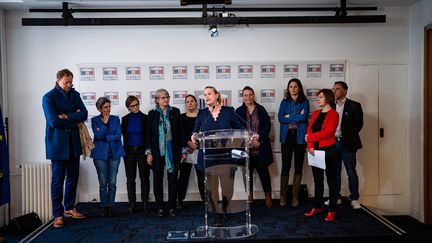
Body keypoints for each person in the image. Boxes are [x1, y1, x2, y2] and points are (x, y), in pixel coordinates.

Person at [191, 86, 248, 226]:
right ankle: (217, 215)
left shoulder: (229, 111)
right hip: (208, 158)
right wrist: (194, 136)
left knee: (227, 188)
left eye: (209, 94)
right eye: (204, 95)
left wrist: (248, 134)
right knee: (211, 189)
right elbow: (196, 130)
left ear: (217, 95)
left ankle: (225, 207)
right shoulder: (202, 114)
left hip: (226, 156)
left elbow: (240, 128)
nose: (207, 97)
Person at [42, 68, 88, 228]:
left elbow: (84, 114)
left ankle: (69, 208)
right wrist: (73, 116)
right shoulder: (48, 97)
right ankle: (57, 214)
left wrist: (67, 115)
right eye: (65, 82)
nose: (69, 85)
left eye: (70, 82)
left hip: (73, 142)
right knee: (57, 180)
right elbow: (53, 121)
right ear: (58, 81)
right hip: (57, 144)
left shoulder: (75, 95)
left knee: (73, 177)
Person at [146, 89, 186, 217]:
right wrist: (149, 152)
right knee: (157, 181)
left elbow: (181, 132)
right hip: (157, 152)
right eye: (163, 97)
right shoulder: (152, 114)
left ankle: (172, 207)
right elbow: (148, 135)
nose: (166, 99)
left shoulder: (175, 112)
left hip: (172, 151)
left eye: (167, 97)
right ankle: (160, 207)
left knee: (173, 181)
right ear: (157, 100)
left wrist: (183, 150)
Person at [304, 89, 340, 222]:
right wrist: (310, 146)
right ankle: (317, 206)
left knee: (331, 181)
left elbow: (328, 133)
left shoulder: (334, 114)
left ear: (328, 99)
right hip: (314, 151)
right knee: (317, 180)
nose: (317, 100)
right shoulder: (316, 113)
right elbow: (309, 129)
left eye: (320, 97)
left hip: (329, 151)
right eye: (317, 97)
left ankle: (332, 210)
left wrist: (309, 138)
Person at [235, 86, 274, 208]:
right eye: (246, 95)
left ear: (254, 96)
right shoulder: (238, 111)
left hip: (260, 148)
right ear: (243, 97)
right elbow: (236, 129)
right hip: (245, 149)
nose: (248, 97)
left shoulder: (261, 109)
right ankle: (249, 196)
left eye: (250, 95)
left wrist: (260, 140)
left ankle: (268, 196)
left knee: (264, 173)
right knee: (247, 174)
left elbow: (267, 126)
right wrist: (246, 140)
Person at [331, 81, 363, 209]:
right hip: (333, 143)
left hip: (347, 143)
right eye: (333, 89)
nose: (334, 91)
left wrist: (347, 135)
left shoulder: (355, 106)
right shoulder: (330, 106)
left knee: (351, 172)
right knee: (335, 172)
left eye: (337, 89)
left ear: (345, 91)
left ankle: (354, 198)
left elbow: (358, 125)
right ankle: (336, 197)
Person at [91, 97, 125, 217]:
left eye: (109, 106)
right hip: (100, 155)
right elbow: (97, 135)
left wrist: (105, 136)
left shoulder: (116, 119)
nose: (108, 109)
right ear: (100, 109)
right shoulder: (94, 120)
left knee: (112, 182)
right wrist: (104, 124)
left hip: (115, 154)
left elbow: (117, 135)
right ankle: (104, 206)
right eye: (105, 107)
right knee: (103, 182)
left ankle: (111, 206)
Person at [278, 78, 309, 207]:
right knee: (285, 166)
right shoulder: (284, 102)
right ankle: (283, 196)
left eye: (295, 86)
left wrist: (289, 117)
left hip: (300, 137)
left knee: (298, 166)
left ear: (299, 88)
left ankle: (295, 196)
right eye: (291, 86)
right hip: (287, 137)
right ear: (288, 88)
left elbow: (304, 117)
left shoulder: (305, 102)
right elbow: (280, 117)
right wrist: (296, 117)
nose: (293, 89)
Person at [121, 95, 150, 214]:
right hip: (129, 152)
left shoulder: (146, 118)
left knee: (144, 178)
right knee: (130, 179)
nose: (135, 107)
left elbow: (148, 136)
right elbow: (123, 135)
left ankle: (145, 203)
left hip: (142, 151)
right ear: (128, 107)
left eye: (137, 104)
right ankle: (131, 203)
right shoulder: (125, 119)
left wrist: (149, 151)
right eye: (132, 106)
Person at [176, 94, 205, 209]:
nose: (190, 103)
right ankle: (179, 200)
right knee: (183, 177)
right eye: (187, 101)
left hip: (200, 150)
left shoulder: (202, 116)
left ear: (196, 103)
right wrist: (189, 144)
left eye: (192, 101)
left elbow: (204, 132)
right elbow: (180, 134)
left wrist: (196, 145)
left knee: (202, 177)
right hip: (186, 151)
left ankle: (205, 200)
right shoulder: (181, 117)